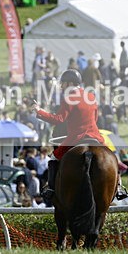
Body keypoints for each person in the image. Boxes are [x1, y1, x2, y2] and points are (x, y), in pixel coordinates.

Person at [30, 69, 107, 202]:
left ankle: (51, 189)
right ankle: (118, 186)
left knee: (53, 158)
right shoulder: (91, 96)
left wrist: (40, 111)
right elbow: (95, 118)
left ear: (71, 83)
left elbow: (58, 119)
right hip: (94, 135)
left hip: (77, 137)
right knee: (110, 155)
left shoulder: (69, 98)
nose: (62, 86)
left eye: (63, 84)